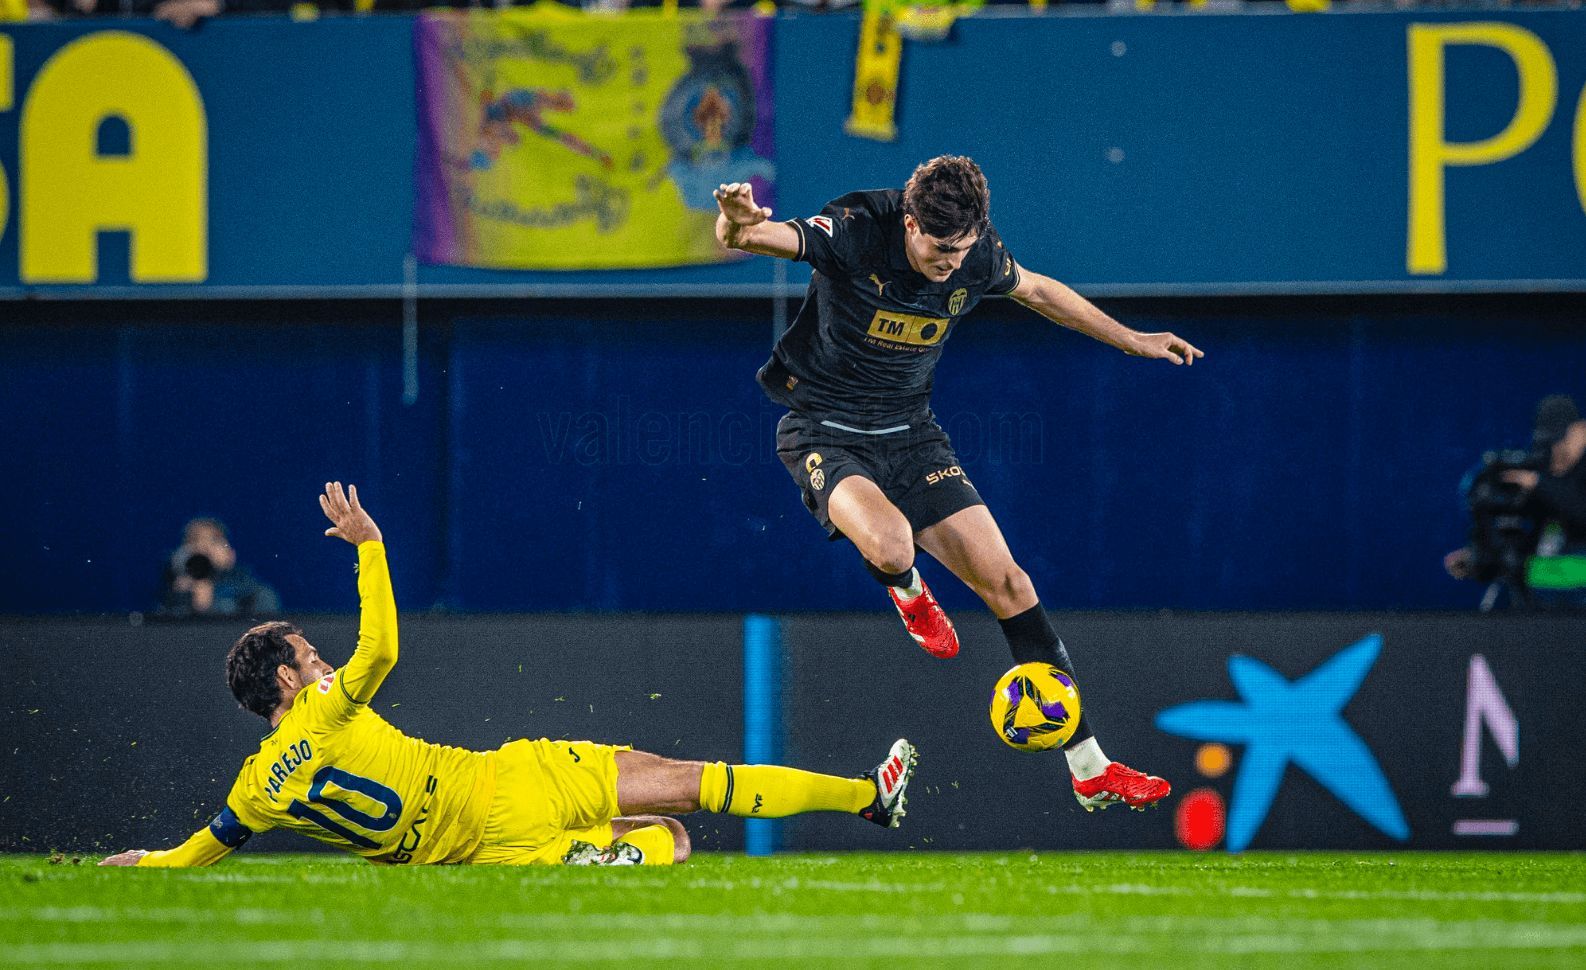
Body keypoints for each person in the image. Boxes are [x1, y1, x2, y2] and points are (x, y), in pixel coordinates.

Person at [713, 156, 1203, 811]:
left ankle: (1090, 767)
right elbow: (752, 237)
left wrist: (1130, 339)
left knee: (1011, 584)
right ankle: (909, 593)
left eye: (965, 249)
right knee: (890, 547)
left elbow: (1037, 291)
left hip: (912, 436)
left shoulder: (973, 252)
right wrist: (736, 220)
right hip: (823, 429)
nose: (953, 264)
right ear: (910, 223)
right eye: (941, 249)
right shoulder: (859, 229)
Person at [103, 483, 916, 869]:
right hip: (502, 780)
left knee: (673, 842)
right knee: (697, 785)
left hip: (487, 851)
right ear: (284, 679)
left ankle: (615, 864)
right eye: (307, 653)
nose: (319, 657)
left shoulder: (257, 789)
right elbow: (381, 648)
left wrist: (134, 864)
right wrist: (370, 549)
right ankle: (863, 798)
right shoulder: (320, 707)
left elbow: (192, 856)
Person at [1445, 394, 1586, 609]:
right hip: (1541, 611)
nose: (1552, 451)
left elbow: (1579, 515)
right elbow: (1527, 549)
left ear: (1580, 432)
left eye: (1558, 441)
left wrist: (1538, 484)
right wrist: (1481, 559)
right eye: (1546, 443)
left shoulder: (1550, 483)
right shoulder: (1542, 479)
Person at [159, 517, 281, 618]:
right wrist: (180, 598)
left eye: (213, 541)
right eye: (194, 542)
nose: (203, 548)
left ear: (230, 553)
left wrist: (211, 605)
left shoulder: (256, 594)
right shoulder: (174, 593)